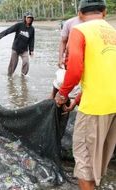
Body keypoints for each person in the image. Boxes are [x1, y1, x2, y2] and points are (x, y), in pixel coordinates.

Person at [54, 0, 116, 189]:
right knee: (100, 159)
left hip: (95, 108)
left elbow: (74, 69)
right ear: (105, 12)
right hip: (113, 106)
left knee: (84, 162)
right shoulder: (114, 32)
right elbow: (106, 73)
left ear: (80, 14)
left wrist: (62, 94)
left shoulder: (79, 30)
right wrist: (78, 99)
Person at [0, 12, 35, 77]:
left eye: (31, 18)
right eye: (28, 18)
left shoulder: (32, 29)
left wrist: (31, 50)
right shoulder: (19, 25)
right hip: (16, 49)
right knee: (13, 65)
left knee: (26, 62)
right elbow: (9, 30)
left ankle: (23, 76)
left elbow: (32, 40)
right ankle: (9, 77)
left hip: (24, 50)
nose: (29, 19)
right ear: (25, 18)